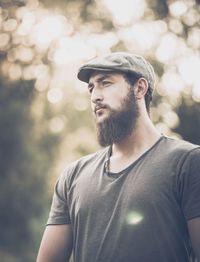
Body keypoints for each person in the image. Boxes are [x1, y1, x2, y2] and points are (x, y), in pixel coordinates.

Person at [37, 52, 200, 262]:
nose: (95, 96)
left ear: (139, 88)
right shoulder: (73, 176)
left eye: (105, 83)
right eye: (91, 87)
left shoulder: (188, 163)